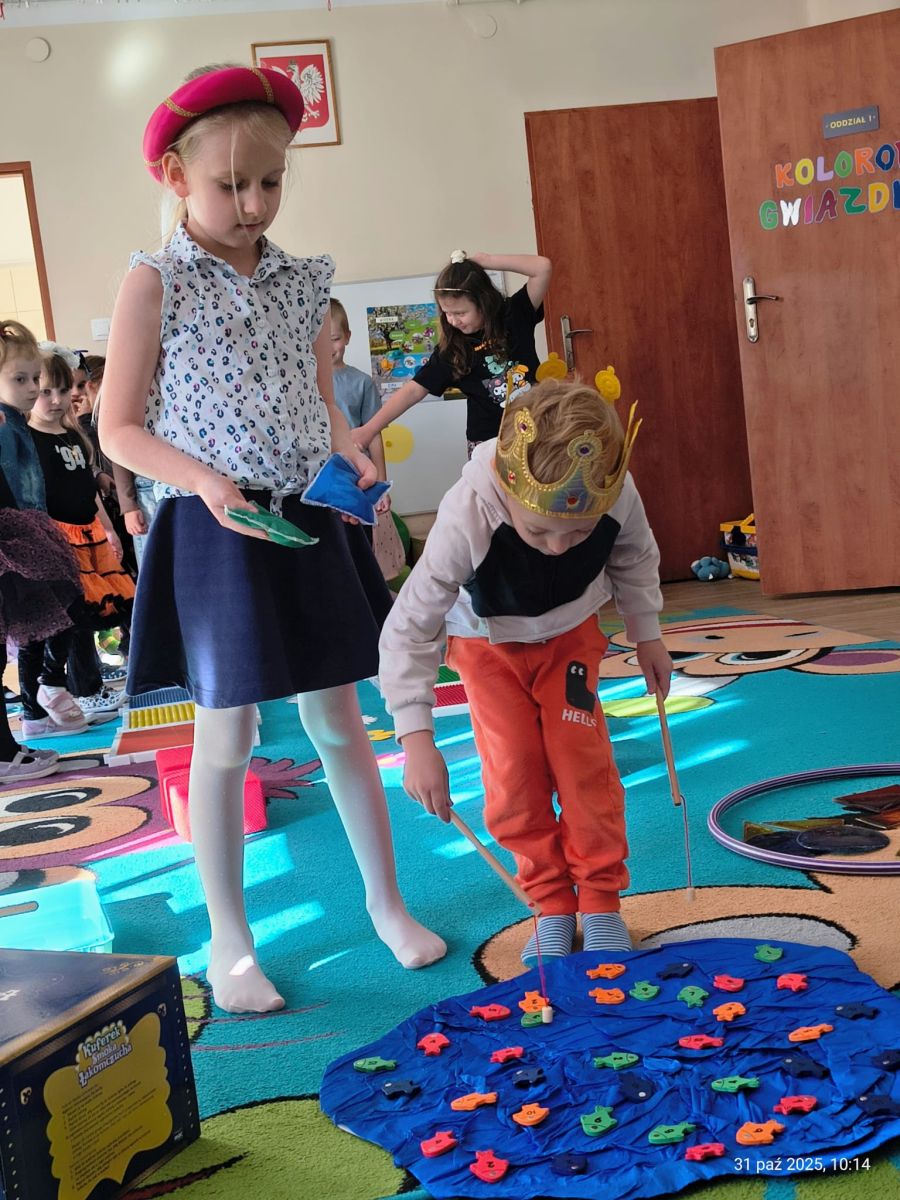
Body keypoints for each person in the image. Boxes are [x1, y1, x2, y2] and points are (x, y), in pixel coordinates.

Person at [99, 63, 445, 1013]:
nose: (253, 204)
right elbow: (117, 428)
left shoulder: (301, 282)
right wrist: (203, 481)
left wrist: (350, 452)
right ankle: (231, 942)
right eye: (230, 184)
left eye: (270, 181)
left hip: (305, 517)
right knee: (226, 737)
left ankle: (387, 904)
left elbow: (320, 398)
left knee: (341, 721)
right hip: (213, 527)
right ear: (176, 175)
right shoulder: (154, 280)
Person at [378, 375, 673, 964]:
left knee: (583, 765)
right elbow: (409, 626)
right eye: (539, 530)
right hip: (486, 648)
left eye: (579, 532)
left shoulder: (617, 490)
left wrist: (648, 634)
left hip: (571, 637)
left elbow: (635, 558)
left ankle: (600, 903)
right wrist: (415, 738)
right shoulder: (468, 510)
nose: (559, 547)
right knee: (514, 775)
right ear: (507, 488)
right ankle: (552, 906)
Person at [22, 352, 133, 728]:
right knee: (59, 617)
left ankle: (58, 685)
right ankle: (46, 692)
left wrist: (109, 527)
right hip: (57, 537)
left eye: (63, 390)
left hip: (88, 534)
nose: (57, 400)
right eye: (46, 391)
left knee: (88, 612)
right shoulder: (29, 438)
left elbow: (88, 490)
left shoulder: (72, 435)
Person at [354, 250, 552, 459]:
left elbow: (542, 267)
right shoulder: (452, 351)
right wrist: (369, 430)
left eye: (460, 313)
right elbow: (413, 391)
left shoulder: (514, 314)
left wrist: (486, 261)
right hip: (489, 444)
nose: (453, 320)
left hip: (538, 430)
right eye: (447, 313)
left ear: (483, 301)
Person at [0, 321, 86, 746]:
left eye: (35, 378)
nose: (34, 388)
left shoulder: (17, 421)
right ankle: (44, 692)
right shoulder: (4, 424)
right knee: (42, 619)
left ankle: (39, 705)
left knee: (52, 615)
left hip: (34, 527)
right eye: (21, 380)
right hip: (16, 535)